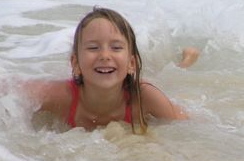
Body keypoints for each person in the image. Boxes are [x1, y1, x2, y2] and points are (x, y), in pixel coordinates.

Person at [25, 7, 199, 133]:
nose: (105, 55)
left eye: (116, 48)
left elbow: (189, 127)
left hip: (145, 87)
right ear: (76, 64)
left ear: (131, 63)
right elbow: (11, 91)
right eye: (93, 48)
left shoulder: (144, 96)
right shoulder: (61, 96)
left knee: (170, 78)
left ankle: (187, 60)